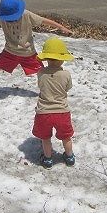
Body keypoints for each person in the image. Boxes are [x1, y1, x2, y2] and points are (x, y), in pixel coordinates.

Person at [0, 0, 73, 94]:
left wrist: (61, 27)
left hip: (28, 52)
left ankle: (49, 89)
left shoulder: (26, 14)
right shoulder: (0, 15)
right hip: (9, 51)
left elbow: (44, 20)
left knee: (42, 72)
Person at [32, 37, 75, 169]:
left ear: (46, 58)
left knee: (45, 138)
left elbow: (41, 86)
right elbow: (68, 88)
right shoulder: (66, 74)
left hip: (44, 112)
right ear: (62, 58)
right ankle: (69, 157)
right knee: (66, 137)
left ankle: (48, 159)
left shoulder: (41, 73)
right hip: (62, 112)